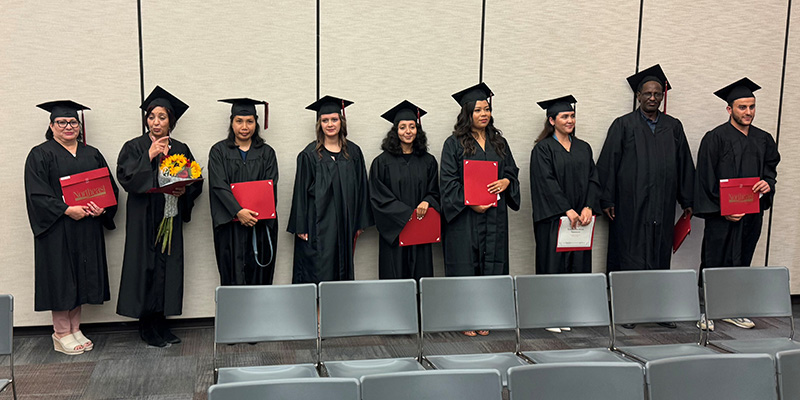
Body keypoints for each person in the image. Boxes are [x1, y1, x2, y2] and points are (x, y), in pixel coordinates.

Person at [596, 65, 695, 329]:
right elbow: (608, 164)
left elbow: (684, 164)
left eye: (657, 94)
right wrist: (607, 200)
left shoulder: (673, 127)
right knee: (629, 256)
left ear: (662, 96)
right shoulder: (623, 125)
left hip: (661, 205)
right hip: (630, 206)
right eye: (647, 94)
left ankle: (659, 310)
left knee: (660, 256)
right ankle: (627, 311)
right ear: (638, 96)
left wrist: (688, 201)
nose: (653, 98)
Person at [25, 100, 119, 355]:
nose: (68, 126)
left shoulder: (92, 153)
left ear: (80, 125)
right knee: (61, 277)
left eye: (73, 122)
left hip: (87, 226)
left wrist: (103, 209)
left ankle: (75, 327)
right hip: (58, 229)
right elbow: (37, 195)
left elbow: (108, 188)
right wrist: (67, 210)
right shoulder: (40, 154)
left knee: (82, 275)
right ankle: (61, 332)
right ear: (51, 125)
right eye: (62, 122)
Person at [116, 86, 202, 347]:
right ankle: (146, 327)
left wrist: (183, 189)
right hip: (143, 218)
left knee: (168, 268)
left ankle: (162, 324)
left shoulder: (181, 147)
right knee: (146, 268)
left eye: (162, 117)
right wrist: (149, 156)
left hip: (169, 216)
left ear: (171, 121)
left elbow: (195, 181)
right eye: (152, 117)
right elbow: (126, 178)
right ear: (146, 120)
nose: (156, 122)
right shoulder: (134, 146)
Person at [694, 78, 780, 330]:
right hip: (721, 215)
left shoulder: (763, 139)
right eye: (742, 107)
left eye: (752, 107)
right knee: (714, 259)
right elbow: (705, 177)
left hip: (751, 214)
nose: (748, 112)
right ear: (729, 109)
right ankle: (707, 311)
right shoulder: (715, 138)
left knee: (742, 259)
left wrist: (768, 183)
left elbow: (770, 170)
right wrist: (723, 210)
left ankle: (733, 310)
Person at [440, 82, 520, 337]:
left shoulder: (499, 142)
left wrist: (507, 181)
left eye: (486, 109)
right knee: (466, 264)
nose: (484, 114)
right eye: (478, 110)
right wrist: (470, 201)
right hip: (465, 217)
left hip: (494, 216)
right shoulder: (453, 144)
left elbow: (511, 172)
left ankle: (487, 316)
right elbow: (448, 182)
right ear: (467, 114)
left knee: (492, 262)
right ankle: (466, 318)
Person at [287, 95, 373, 284]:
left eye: (334, 119)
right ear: (319, 124)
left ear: (341, 121)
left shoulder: (353, 153)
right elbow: (300, 193)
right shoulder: (309, 155)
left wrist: (359, 222)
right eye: (325, 120)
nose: (330, 124)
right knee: (317, 268)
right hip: (316, 224)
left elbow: (361, 189)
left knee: (342, 268)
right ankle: (317, 312)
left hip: (345, 223)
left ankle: (339, 309)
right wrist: (301, 225)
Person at [208, 98, 278, 285]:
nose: (244, 126)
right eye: (239, 121)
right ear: (232, 123)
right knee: (232, 273)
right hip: (230, 226)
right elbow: (218, 185)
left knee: (259, 274)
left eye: (249, 121)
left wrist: (253, 214)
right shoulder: (219, 152)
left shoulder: (267, 153)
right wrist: (238, 212)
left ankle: (258, 314)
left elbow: (270, 186)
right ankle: (234, 314)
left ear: (256, 123)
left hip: (259, 224)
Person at [369, 100, 440, 280]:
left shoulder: (428, 161)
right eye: (402, 127)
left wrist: (427, 201)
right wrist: (406, 214)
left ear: (418, 130)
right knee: (395, 275)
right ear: (395, 131)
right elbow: (377, 197)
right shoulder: (381, 162)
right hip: (394, 233)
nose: (408, 131)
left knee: (421, 274)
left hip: (421, 230)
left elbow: (435, 191)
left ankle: (420, 308)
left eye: (412, 127)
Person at [530, 96, 600, 271]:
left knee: (579, 269)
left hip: (581, 220)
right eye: (565, 116)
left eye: (572, 116)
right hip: (554, 220)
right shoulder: (543, 149)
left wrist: (588, 207)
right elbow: (546, 183)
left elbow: (593, 178)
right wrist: (566, 210)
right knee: (554, 268)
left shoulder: (583, 148)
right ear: (552, 120)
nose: (570, 120)